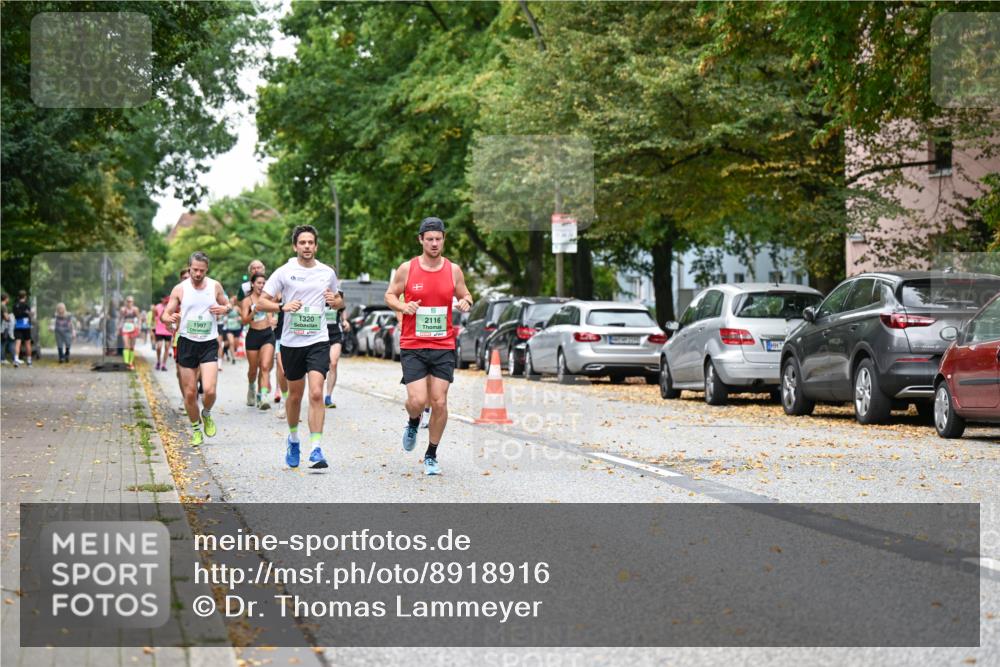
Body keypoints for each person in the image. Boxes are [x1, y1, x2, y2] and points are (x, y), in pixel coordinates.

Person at [384, 217, 473, 476]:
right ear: (420, 240)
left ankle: (431, 454)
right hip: (413, 343)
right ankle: (413, 420)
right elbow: (390, 295)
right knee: (417, 400)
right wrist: (403, 306)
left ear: (444, 240)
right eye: (429, 239)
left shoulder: (453, 270)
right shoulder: (407, 269)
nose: (434, 243)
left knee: (439, 402)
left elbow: (465, 294)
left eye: (438, 238)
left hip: (443, 343)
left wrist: (466, 301)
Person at [259, 225, 343, 469]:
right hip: (292, 342)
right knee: (295, 396)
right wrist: (281, 307)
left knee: (316, 392)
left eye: (311, 242)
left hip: (318, 340)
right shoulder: (284, 272)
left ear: (316, 246)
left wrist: (334, 301)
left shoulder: (327, 272)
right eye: (302, 242)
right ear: (295, 246)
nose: (307, 246)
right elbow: (262, 302)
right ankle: (294, 439)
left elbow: (338, 301)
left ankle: (316, 448)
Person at [161, 252, 229, 446]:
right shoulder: (180, 289)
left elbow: (228, 304)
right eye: (194, 270)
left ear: (206, 269)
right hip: (186, 343)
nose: (197, 274)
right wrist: (169, 318)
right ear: (189, 267)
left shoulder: (214, 286)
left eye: (201, 270)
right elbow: (165, 315)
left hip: (208, 343)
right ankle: (196, 429)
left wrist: (226, 308)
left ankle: (206, 413)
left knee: (209, 390)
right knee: (190, 393)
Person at [241, 272, 276, 410]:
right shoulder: (247, 300)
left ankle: (263, 397)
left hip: (267, 334)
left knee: (266, 366)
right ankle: (251, 387)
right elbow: (244, 321)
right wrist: (254, 312)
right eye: (259, 283)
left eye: (263, 283)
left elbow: (273, 313)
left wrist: (273, 320)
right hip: (253, 335)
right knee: (253, 369)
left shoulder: (268, 298)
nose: (261, 286)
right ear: (253, 284)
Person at [323, 296, 346, 408]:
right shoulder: (317, 291)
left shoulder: (339, 294)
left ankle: (328, 396)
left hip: (335, 334)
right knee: (320, 366)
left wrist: (345, 321)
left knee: (333, 363)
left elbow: (342, 309)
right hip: (320, 335)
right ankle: (315, 392)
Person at [119, 295, 141, 370]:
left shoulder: (135, 309)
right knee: (126, 345)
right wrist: (119, 328)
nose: (129, 303)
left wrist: (138, 326)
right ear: (126, 302)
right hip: (125, 328)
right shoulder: (123, 309)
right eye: (128, 301)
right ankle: (126, 362)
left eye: (130, 301)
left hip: (133, 328)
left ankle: (130, 362)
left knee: (131, 346)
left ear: (133, 302)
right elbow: (120, 319)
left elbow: (139, 318)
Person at [12, 290, 33, 367]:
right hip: (26, 326)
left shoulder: (15, 305)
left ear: (18, 297)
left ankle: (16, 360)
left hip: (18, 326)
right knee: (28, 343)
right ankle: (29, 361)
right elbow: (30, 315)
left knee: (17, 344)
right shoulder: (27, 305)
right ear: (25, 297)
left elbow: (15, 315)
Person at [152, 295, 173, 371]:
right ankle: (158, 361)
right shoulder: (157, 307)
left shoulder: (171, 307)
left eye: (168, 299)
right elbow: (154, 317)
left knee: (167, 348)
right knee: (159, 347)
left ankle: (164, 364)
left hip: (168, 330)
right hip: (159, 330)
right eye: (165, 299)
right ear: (162, 299)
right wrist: (153, 325)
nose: (166, 300)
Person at [224, 294, 243, 365]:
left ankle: (229, 350)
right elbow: (223, 315)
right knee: (231, 342)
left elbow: (242, 316)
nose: (231, 302)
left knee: (235, 344)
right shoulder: (227, 308)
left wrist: (240, 318)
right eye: (230, 301)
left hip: (237, 327)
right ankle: (233, 358)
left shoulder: (237, 308)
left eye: (232, 301)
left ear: (234, 302)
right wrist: (225, 318)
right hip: (229, 327)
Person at [1, 293, 12, 364]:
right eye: (8, 298)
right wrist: (10, 318)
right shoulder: (3, 306)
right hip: (2, 327)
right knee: (3, 343)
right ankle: (2, 359)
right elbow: (6, 317)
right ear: (6, 298)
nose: (9, 299)